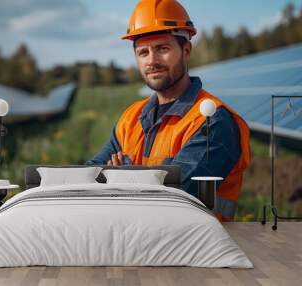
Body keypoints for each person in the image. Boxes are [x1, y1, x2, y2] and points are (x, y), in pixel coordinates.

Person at [85, 0, 251, 221]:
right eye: (143, 52)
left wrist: (120, 175)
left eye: (162, 49)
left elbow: (173, 197)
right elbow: (88, 178)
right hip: (135, 241)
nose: (152, 61)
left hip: (198, 247)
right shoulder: (131, 118)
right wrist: (127, 177)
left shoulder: (213, 120)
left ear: (186, 50)